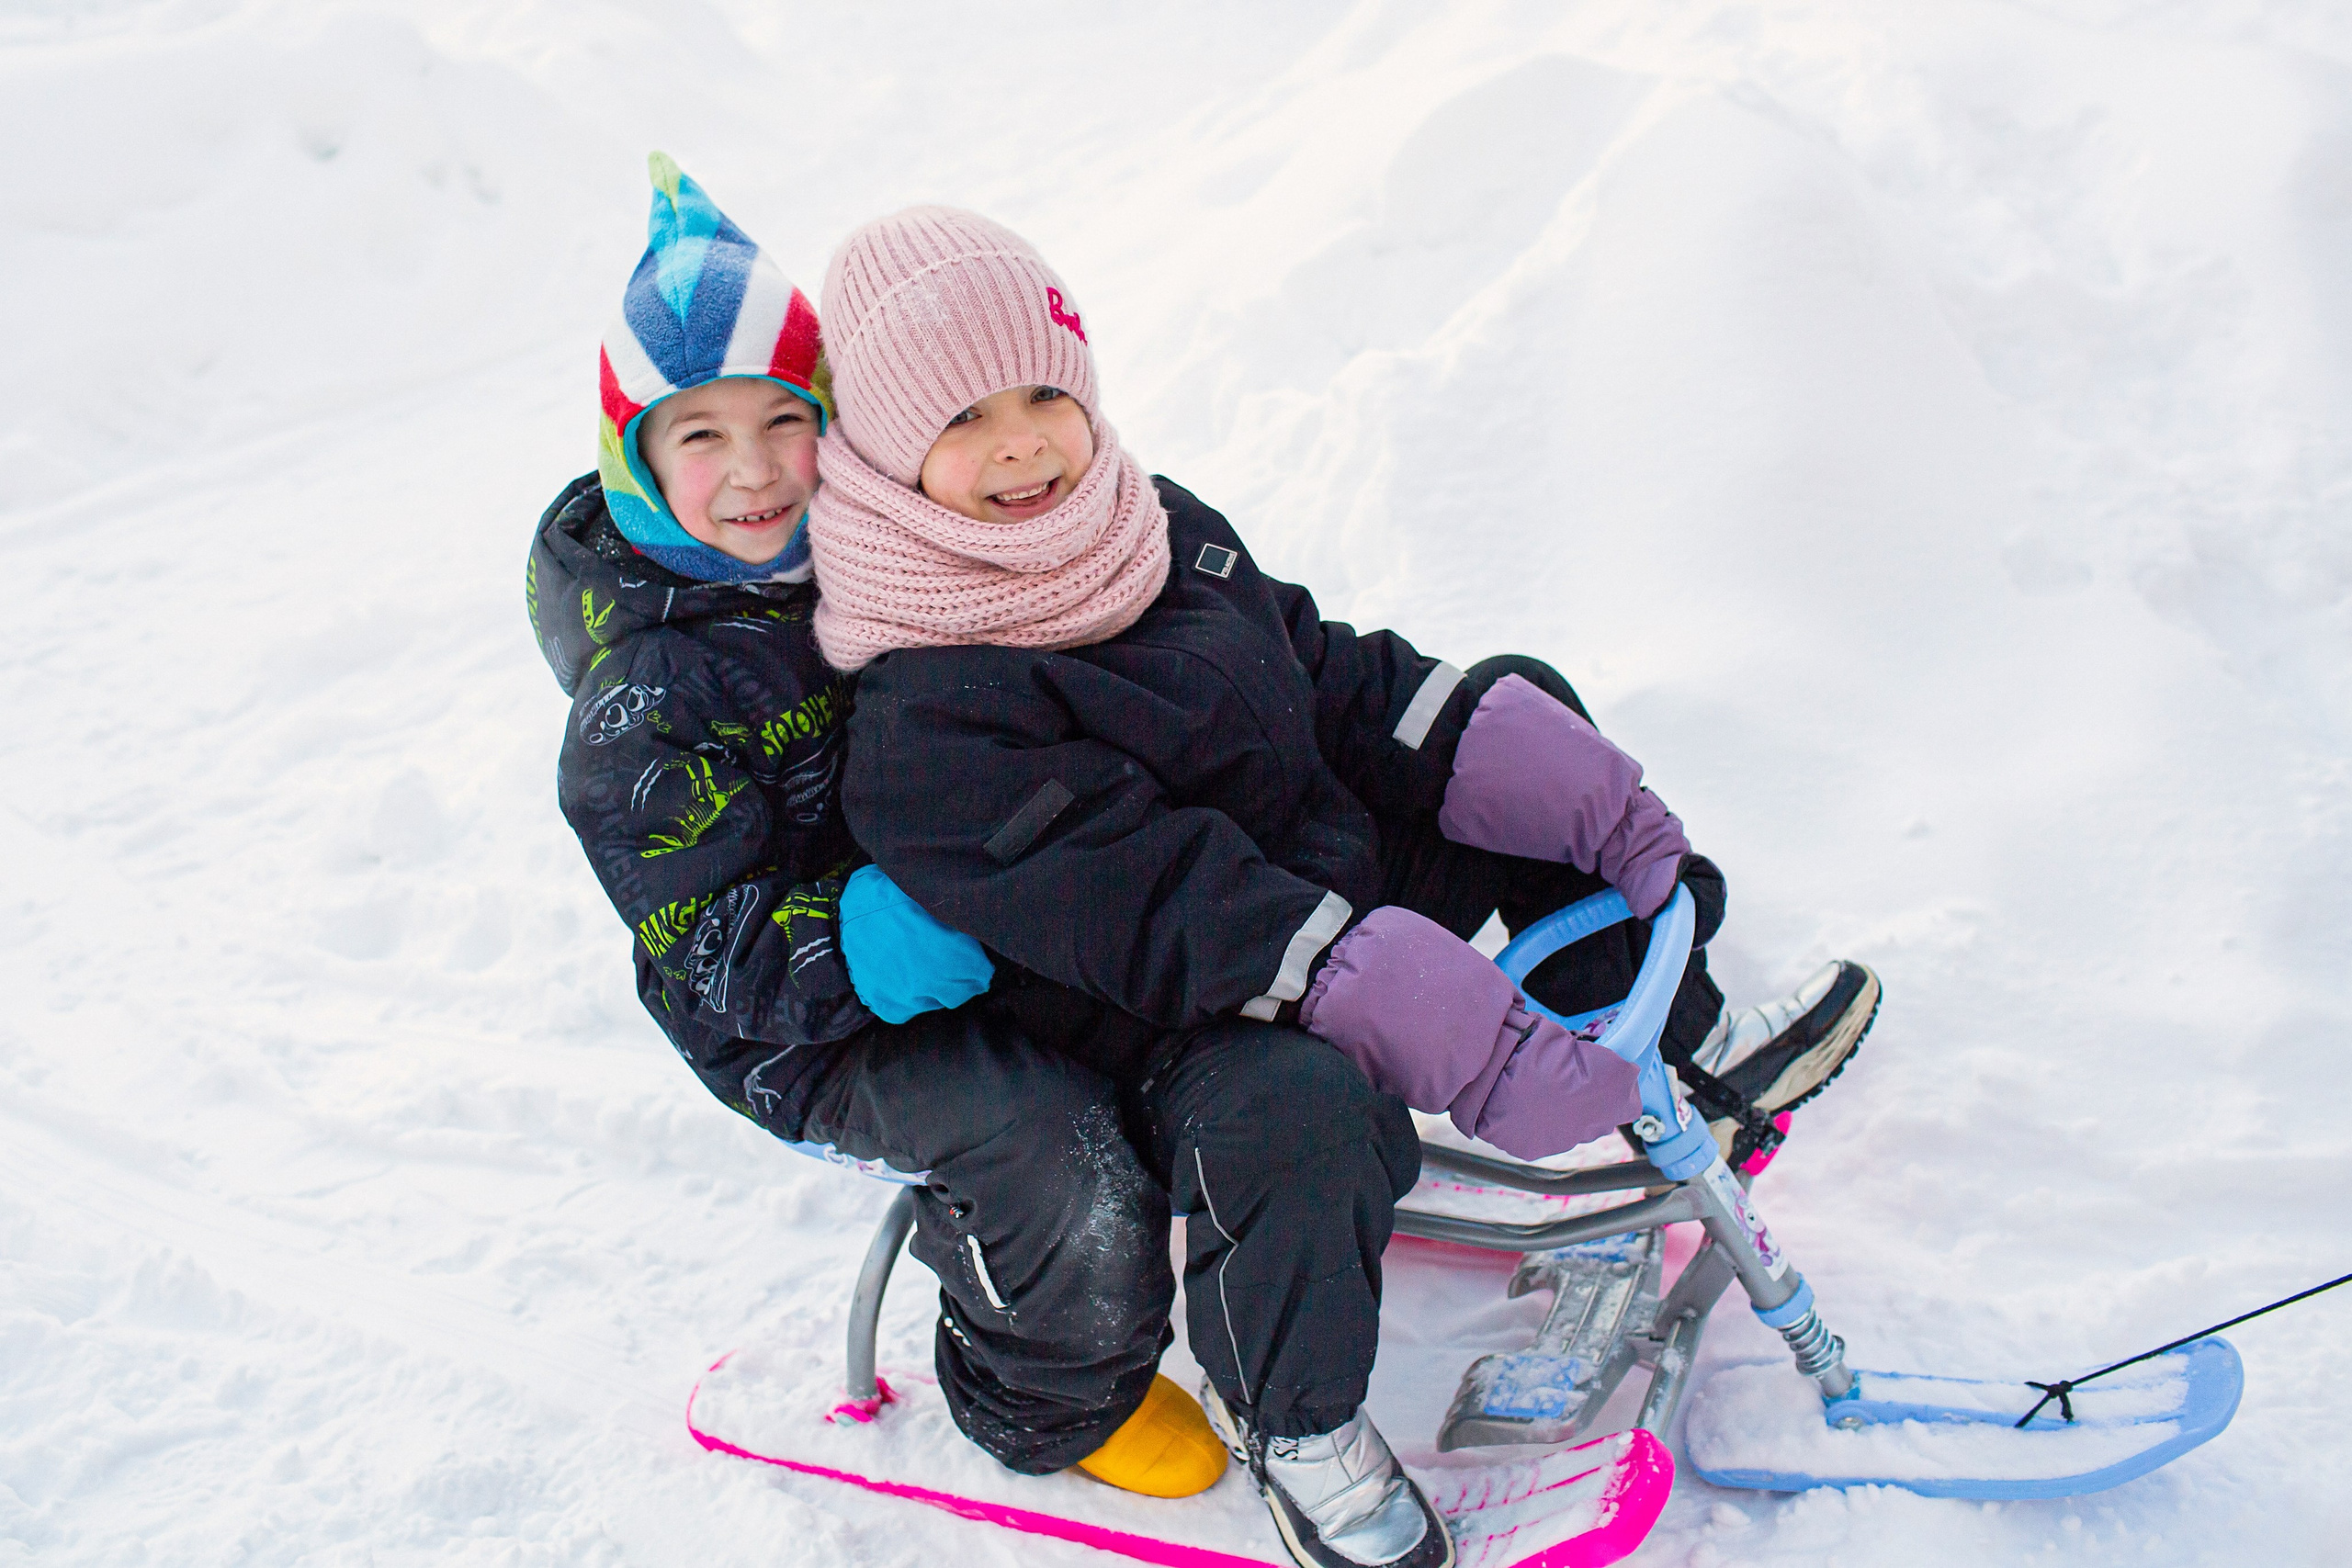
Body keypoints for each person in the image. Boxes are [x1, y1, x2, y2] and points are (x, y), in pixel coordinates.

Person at [800, 208, 1880, 1568]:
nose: (1023, 443)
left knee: (1518, 727)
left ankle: (1691, 1047)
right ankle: (1297, 1423)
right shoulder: (927, 715)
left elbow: (1316, 670)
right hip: (1158, 1014)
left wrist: (1478, 735)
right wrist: (1371, 982)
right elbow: (1151, 898)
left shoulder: (1145, 527)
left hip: (1314, 888)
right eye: (964, 420)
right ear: (892, 452)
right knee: (1308, 1110)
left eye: (1043, 396)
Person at [529, 160, 1229, 1505]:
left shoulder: (886, 542)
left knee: (1179, 988)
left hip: (979, 909)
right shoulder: (646, 702)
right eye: (697, 437)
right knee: (1047, 1143)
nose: (752, 473)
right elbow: (698, 946)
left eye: (782, 422)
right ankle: (1047, 1393)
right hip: (806, 1022)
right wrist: (858, 940)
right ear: (632, 456)